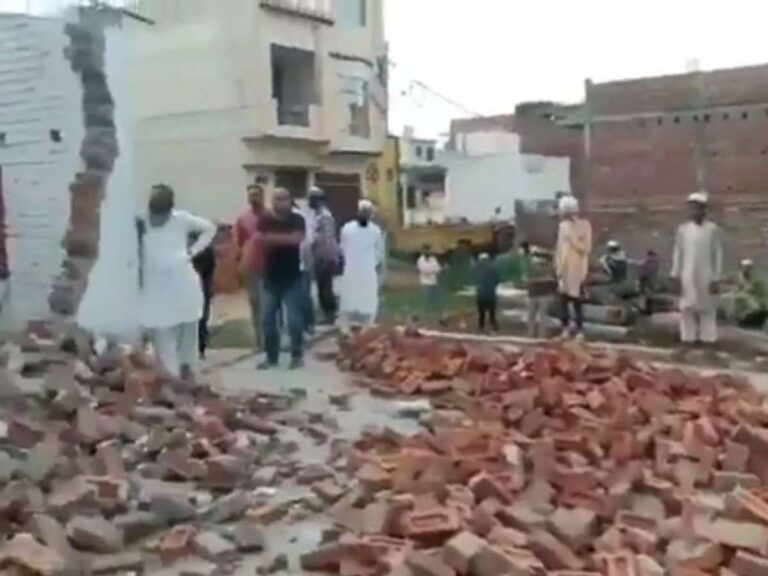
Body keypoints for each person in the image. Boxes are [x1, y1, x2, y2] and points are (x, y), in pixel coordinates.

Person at [138, 184, 215, 379]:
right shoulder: (141, 221)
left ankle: (187, 377)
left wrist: (191, 252)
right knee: (162, 337)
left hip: (183, 285)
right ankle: (171, 380)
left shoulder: (181, 219)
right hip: (155, 287)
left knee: (187, 339)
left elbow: (209, 229)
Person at [257, 188, 306, 370]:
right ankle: (271, 357)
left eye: (284, 199)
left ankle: (297, 355)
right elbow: (261, 240)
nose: (281, 202)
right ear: (272, 201)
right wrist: (287, 239)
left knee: (294, 320)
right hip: (270, 277)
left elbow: (298, 239)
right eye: (277, 199)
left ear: (290, 200)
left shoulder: (297, 219)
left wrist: (273, 239)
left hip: (292, 278)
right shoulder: (265, 219)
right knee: (268, 320)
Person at [671, 191, 723, 346]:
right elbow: (678, 253)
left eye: (697, 208)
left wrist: (716, 278)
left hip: (706, 275)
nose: (693, 211)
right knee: (687, 308)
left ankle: (708, 340)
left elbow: (717, 254)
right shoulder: (683, 230)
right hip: (687, 274)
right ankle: (688, 339)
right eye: (691, 208)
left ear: (704, 210)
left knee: (707, 309)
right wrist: (675, 275)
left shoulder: (712, 229)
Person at [339, 199, 384, 329]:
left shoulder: (375, 231)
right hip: (351, 268)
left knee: (368, 296)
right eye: (363, 212)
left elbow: (379, 250)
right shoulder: (347, 228)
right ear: (358, 213)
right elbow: (343, 246)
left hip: (368, 268)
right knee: (349, 295)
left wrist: (372, 263)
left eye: (367, 212)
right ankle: (347, 325)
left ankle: (367, 324)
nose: (365, 215)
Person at [555, 195, 592, 339]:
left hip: (577, 269)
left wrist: (571, 237)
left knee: (577, 301)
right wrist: (557, 266)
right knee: (562, 301)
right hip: (564, 268)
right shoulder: (562, 226)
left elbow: (586, 248)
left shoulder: (585, 225)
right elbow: (559, 248)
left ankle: (579, 330)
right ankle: (565, 329)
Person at [233, 184, 265, 351]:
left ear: (262, 196)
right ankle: (260, 341)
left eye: (256, 195)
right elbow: (238, 244)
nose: (253, 198)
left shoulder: (271, 217)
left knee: (272, 304)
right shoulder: (242, 219)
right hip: (251, 266)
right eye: (251, 195)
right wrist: (239, 266)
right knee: (255, 303)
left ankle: (274, 338)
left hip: (270, 266)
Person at [306, 187, 340, 325]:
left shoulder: (325, 217)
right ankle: (327, 314)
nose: (310, 201)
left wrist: (327, 258)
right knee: (322, 287)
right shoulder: (316, 216)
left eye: (312, 198)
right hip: (317, 255)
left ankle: (330, 315)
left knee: (325, 287)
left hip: (324, 256)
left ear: (319, 200)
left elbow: (328, 238)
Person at [522, 244, 556, 338]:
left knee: (531, 317)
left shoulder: (531, 267)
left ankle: (531, 335)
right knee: (542, 317)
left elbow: (525, 279)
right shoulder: (550, 267)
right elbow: (553, 281)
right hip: (543, 295)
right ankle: (541, 336)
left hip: (533, 294)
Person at [191, 237, 216, 359]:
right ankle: (200, 348)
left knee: (200, 319)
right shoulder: (205, 248)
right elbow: (211, 270)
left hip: (198, 287)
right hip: (201, 287)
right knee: (201, 319)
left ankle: (200, 348)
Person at [733, 259, 767, 328]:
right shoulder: (739, 279)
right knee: (744, 297)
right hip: (745, 311)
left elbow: (762, 293)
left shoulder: (756, 279)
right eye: (745, 267)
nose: (746, 269)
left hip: (756, 307)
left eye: (748, 267)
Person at [475, 253, 501, 333]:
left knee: (481, 313)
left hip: (481, 294)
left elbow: (474, 279)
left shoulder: (477, 268)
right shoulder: (493, 268)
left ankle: (481, 327)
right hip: (491, 294)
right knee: (492, 313)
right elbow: (497, 280)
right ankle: (494, 326)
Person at [417, 244, 441, 320]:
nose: (428, 252)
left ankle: (435, 314)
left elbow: (438, 269)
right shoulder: (420, 260)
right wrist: (432, 270)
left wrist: (430, 270)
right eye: (426, 250)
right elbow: (424, 271)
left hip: (434, 282)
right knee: (426, 300)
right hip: (425, 282)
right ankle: (424, 314)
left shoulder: (433, 259)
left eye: (429, 250)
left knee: (435, 299)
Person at [638, 249, 660, 315]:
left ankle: (644, 309)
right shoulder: (656, 261)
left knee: (643, 295)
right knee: (650, 295)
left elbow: (640, 265)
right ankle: (649, 310)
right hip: (652, 279)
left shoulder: (648, 260)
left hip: (645, 278)